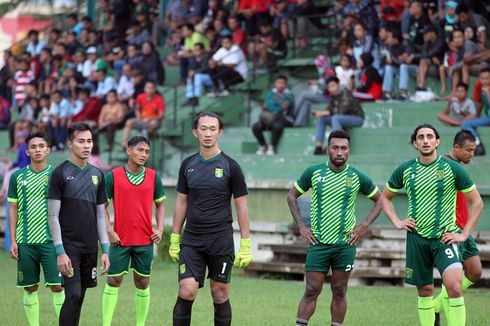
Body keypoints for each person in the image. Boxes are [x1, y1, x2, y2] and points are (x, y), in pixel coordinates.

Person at [381, 124, 484, 326]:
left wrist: (463, 235)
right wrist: (397, 221)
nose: (425, 140)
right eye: (421, 137)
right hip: (417, 238)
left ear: (437, 141)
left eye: (430, 136)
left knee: (454, 287)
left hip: (445, 237)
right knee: (425, 291)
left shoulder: (452, 168)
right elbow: (385, 198)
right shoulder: (405, 169)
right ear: (415, 143)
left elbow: (478, 203)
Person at [287, 130, 383, 326]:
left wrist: (363, 225)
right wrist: (302, 226)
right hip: (318, 243)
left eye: (344, 148)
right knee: (312, 289)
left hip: (344, 244)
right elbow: (291, 196)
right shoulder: (314, 172)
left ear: (349, 151)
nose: (339, 152)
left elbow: (381, 200)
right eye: (335, 148)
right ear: (328, 149)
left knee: (339, 290)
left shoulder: (356, 176)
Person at [169, 112, 253, 326]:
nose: (208, 133)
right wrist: (175, 237)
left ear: (220, 132)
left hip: (220, 239)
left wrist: (245, 243)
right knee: (186, 290)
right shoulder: (187, 164)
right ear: (195, 132)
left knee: (220, 293)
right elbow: (181, 202)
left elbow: (241, 206)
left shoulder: (231, 166)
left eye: (212, 129)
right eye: (203, 129)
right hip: (192, 240)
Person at [47, 122, 110, 326]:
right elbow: (53, 215)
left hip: (90, 247)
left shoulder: (97, 174)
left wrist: (106, 249)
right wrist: (60, 251)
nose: (86, 145)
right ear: (70, 144)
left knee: (80, 298)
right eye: (81, 141)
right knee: (72, 294)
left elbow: (101, 216)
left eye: (89, 141)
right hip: (69, 247)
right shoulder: (60, 173)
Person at [102, 136, 165, 326]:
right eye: (139, 150)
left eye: (146, 151)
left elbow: (160, 205)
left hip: (145, 240)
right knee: (113, 280)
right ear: (129, 151)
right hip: (119, 240)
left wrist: (160, 229)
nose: (143, 154)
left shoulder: (154, 177)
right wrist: (109, 230)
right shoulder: (112, 176)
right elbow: (101, 207)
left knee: (142, 282)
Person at [7, 132, 64, 326]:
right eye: (33, 147)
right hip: (25, 241)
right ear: (27, 151)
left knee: (57, 286)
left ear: (48, 150)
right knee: (30, 287)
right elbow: (12, 208)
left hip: (51, 241)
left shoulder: (57, 175)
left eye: (41, 146)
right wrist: (13, 240)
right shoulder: (17, 176)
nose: (38, 149)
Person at [432, 130, 482, 325]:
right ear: (456, 147)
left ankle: (437, 305)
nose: (472, 154)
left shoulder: (459, 167)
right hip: (450, 230)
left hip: (463, 229)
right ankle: (437, 307)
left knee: (476, 271)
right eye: (468, 150)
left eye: (473, 150)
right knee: (455, 285)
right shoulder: (443, 166)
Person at [313, 76, 364, 155]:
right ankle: (318, 147)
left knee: (335, 118)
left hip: (357, 118)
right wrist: (320, 113)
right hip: (342, 118)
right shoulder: (333, 97)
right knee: (322, 118)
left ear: (338, 85)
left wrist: (326, 112)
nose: (331, 88)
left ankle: (335, 147)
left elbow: (343, 111)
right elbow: (329, 109)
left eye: (333, 85)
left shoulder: (346, 93)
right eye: (329, 87)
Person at [252, 75, 294, 155]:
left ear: (286, 84)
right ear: (275, 83)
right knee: (256, 127)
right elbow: (265, 105)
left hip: (284, 119)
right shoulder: (270, 93)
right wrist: (278, 104)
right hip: (270, 118)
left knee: (277, 126)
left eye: (282, 83)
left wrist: (272, 104)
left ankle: (272, 146)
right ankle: (263, 146)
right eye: (278, 83)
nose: (280, 85)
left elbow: (284, 107)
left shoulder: (289, 94)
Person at [121, 80, 165, 149]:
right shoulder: (141, 97)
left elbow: (161, 115)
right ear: (144, 88)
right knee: (129, 122)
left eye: (151, 88)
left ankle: (145, 134)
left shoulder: (159, 99)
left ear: (154, 89)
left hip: (152, 121)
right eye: (147, 87)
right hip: (142, 120)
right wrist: (138, 116)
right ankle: (124, 143)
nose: (149, 90)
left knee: (154, 124)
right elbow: (137, 108)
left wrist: (150, 118)